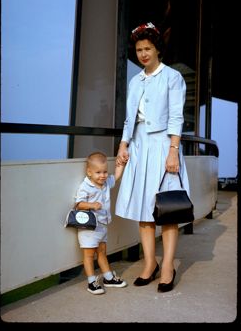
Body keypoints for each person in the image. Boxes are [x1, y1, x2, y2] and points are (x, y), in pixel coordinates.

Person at [115, 22, 190, 293]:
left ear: (157, 49)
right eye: (138, 49)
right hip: (138, 148)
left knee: (168, 209)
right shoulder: (136, 81)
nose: (143, 54)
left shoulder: (172, 77)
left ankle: (167, 266)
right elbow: (129, 119)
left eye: (147, 48)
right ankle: (150, 264)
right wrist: (123, 146)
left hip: (163, 146)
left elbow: (176, 117)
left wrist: (173, 151)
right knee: (143, 211)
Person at [74, 151, 127, 295]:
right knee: (89, 255)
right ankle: (92, 282)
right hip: (89, 228)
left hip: (102, 226)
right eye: (98, 172)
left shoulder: (105, 183)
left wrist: (121, 164)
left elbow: (116, 177)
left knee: (102, 252)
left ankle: (108, 278)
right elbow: (78, 204)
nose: (102, 175)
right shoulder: (85, 187)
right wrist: (91, 205)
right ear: (89, 172)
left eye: (105, 172)